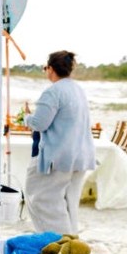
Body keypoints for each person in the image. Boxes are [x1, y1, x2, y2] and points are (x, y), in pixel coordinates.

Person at [23, 50, 95, 235]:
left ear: (51, 68)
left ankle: (59, 247)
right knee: (68, 204)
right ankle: (71, 243)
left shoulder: (53, 91)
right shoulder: (78, 89)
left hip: (59, 156)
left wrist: (26, 117)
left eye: (45, 68)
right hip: (80, 155)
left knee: (42, 201)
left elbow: (40, 124)